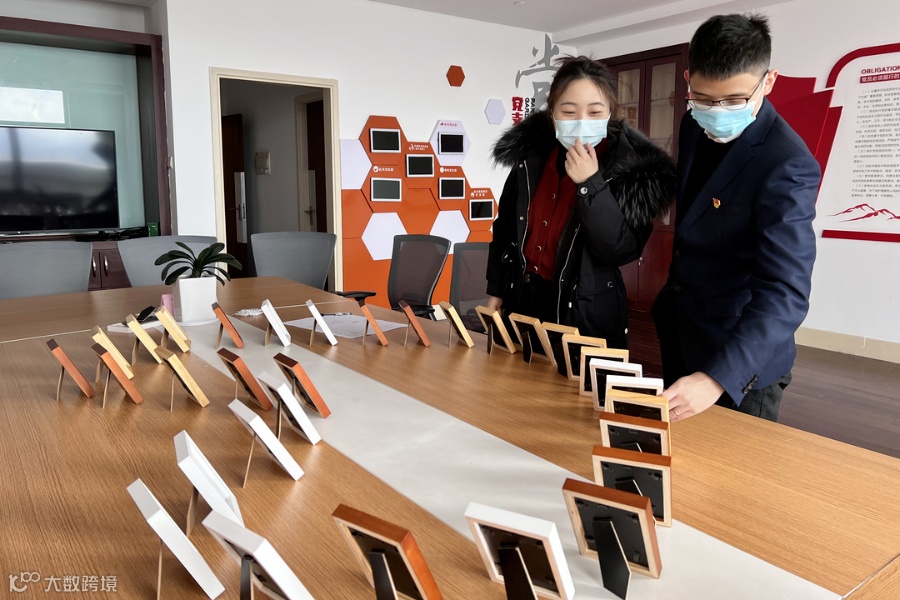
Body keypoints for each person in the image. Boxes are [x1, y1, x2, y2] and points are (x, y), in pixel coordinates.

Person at [652, 14, 820, 422]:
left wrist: (716, 378)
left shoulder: (787, 163)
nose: (717, 112)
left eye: (734, 100)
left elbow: (785, 290)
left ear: (769, 81)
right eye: (703, 98)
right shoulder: (693, 124)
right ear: (689, 80)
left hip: (741, 359)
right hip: (683, 329)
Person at [487, 56, 675, 350]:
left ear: (610, 112)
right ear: (552, 114)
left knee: (572, 380)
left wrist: (590, 184)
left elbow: (620, 249)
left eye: (594, 111)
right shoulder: (531, 156)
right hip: (522, 299)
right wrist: (496, 289)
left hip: (582, 309)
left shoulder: (635, 170)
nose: (581, 121)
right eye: (569, 111)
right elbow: (506, 229)